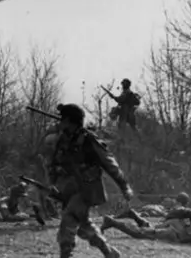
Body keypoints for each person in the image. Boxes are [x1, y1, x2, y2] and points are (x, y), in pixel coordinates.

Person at [49, 103, 133, 258]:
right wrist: (53, 184)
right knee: (83, 226)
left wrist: (124, 186)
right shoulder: (63, 140)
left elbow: (109, 163)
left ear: (68, 121)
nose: (59, 123)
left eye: (62, 119)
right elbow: (54, 164)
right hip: (70, 188)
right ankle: (108, 251)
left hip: (87, 188)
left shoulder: (88, 140)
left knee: (68, 219)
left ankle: (65, 254)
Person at [101, 200, 191, 248]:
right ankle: (113, 222)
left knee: (148, 229)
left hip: (175, 224)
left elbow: (186, 212)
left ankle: (133, 216)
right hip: (175, 234)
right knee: (141, 234)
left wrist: (169, 217)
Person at [114, 192, 190, 224]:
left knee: (139, 213)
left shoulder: (175, 207)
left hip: (154, 209)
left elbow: (167, 213)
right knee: (142, 214)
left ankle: (124, 213)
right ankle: (126, 212)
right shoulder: (178, 208)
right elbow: (167, 214)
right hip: (155, 210)